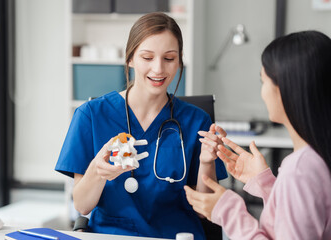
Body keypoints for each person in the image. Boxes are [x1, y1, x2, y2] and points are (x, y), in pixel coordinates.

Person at [55, 12, 227, 239]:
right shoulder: (91, 116)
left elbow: (206, 213)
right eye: (147, 58)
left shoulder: (197, 121)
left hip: (176, 235)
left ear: (179, 60)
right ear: (130, 59)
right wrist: (98, 170)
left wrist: (207, 162)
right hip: (112, 235)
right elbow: (82, 206)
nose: (158, 69)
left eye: (169, 58)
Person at [184, 30, 331, 239]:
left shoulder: (299, 170)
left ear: (286, 89)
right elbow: (296, 219)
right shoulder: (315, 160)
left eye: (264, 82)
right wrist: (266, 184)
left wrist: (229, 211)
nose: (262, 92)